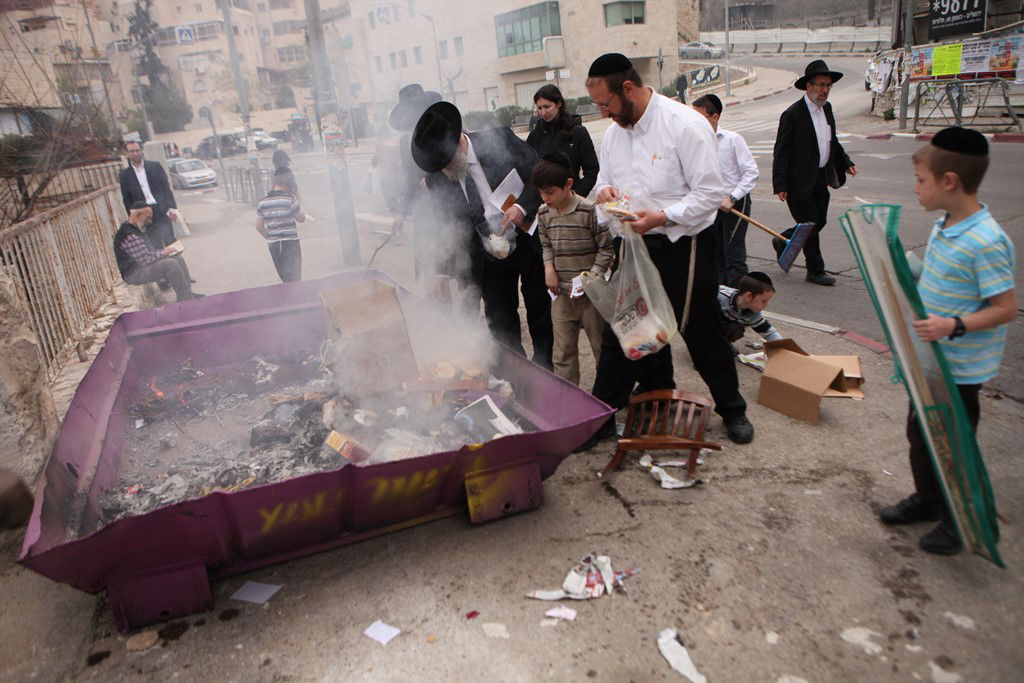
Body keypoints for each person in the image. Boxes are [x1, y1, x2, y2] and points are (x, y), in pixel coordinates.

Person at [582, 53, 753, 447]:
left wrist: (662, 217)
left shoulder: (684, 124)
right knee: (627, 328)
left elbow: (709, 194)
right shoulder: (614, 134)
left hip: (684, 245)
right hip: (633, 242)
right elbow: (604, 180)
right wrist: (605, 193)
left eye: (606, 104)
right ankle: (617, 411)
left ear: (628, 89)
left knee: (700, 330)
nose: (604, 114)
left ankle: (733, 408)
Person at [879, 127, 1017, 556]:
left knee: (953, 446)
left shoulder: (986, 241)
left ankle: (961, 521)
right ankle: (929, 499)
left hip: (960, 368)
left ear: (949, 181)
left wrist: (952, 325)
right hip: (932, 359)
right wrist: (910, 269)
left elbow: (1005, 308)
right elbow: (945, 281)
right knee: (921, 435)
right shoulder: (946, 225)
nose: (916, 188)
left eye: (921, 180)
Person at [411, 101, 553, 370]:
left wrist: (522, 208)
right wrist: (440, 272)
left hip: (525, 240)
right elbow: (445, 225)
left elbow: (539, 173)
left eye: (447, 161)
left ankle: (545, 370)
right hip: (487, 254)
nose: (445, 170)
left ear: (459, 143)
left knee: (539, 313)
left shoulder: (500, 140)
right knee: (501, 324)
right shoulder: (438, 176)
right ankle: (520, 376)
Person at [771, 60, 857, 286]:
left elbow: (832, 140)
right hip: (798, 181)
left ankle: (785, 239)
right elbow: (781, 151)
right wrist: (780, 184)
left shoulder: (826, 109)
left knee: (819, 221)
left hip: (819, 178)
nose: (824, 90)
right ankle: (815, 270)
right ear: (808, 86)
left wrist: (845, 161)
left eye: (828, 85)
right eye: (820, 85)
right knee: (810, 224)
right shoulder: (792, 114)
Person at [533, 153, 614, 385]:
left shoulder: (589, 211)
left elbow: (607, 248)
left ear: (568, 184)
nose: (545, 198)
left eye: (550, 192)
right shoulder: (543, 213)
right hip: (561, 295)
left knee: (601, 348)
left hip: (592, 297)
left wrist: (592, 278)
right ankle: (567, 398)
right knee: (563, 354)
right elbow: (546, 245)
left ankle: (607, 397)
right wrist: (549, 268)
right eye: (541, 193)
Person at [692, 94, 758, 287]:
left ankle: (739, 296)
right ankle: (722, 295)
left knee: (733, 254)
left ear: (715, 117)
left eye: (700, 117)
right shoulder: (696, 143)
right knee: (716, 254)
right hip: (711, 205)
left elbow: (751, 173)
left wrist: (732, 197)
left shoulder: (732, 140)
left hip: (735, 203)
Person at [113, 201, 200, 301]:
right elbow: (145, 260)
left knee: (178, 258)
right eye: (148, 218)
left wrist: (165, 252)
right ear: (137, 215)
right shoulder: (129, 234)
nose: (150, 221)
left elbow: (146, 254)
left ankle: (187, 293)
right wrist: (164, 252)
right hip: (134, 273)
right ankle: (185, 299)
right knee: (170, 264)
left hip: (141, 267)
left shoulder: (134, 228)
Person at [525, 84, 600, 199]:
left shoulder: (578, 132)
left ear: (559, 104)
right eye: (539, 108)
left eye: (547, 106)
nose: (543, 112)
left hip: (572, 202)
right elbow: (527, 173)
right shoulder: (534, 136)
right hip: (543, 205)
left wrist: (573, 198)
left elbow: (592, 171)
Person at [119, 140, 180, 248]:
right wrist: (134, 218)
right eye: (132, 151)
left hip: (161, 209)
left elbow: (166, 189)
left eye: (137, 150)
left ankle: (177, 259)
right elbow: (127, 199)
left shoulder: (155, 166)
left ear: (141, 151)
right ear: (127, 154)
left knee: (171, 241)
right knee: (154, 244)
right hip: (144, 213)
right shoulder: (125, 175)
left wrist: (172, 209)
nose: (135, 153)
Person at [256, 168, 306, 283]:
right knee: (295, 279)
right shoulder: (290, 200)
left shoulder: (262, 202)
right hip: (290, 244)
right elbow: (301, 219)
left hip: (274, 245)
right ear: (289, 182)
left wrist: (272, 237)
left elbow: (259, 226)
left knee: (285, 279)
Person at [718, 272, 783, 347]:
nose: (766, 305)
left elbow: (768, 332)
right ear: (748, 296)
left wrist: (784, 347)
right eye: (763, 301)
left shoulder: (753, 314)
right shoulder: (721, 297)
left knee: (736, 329)